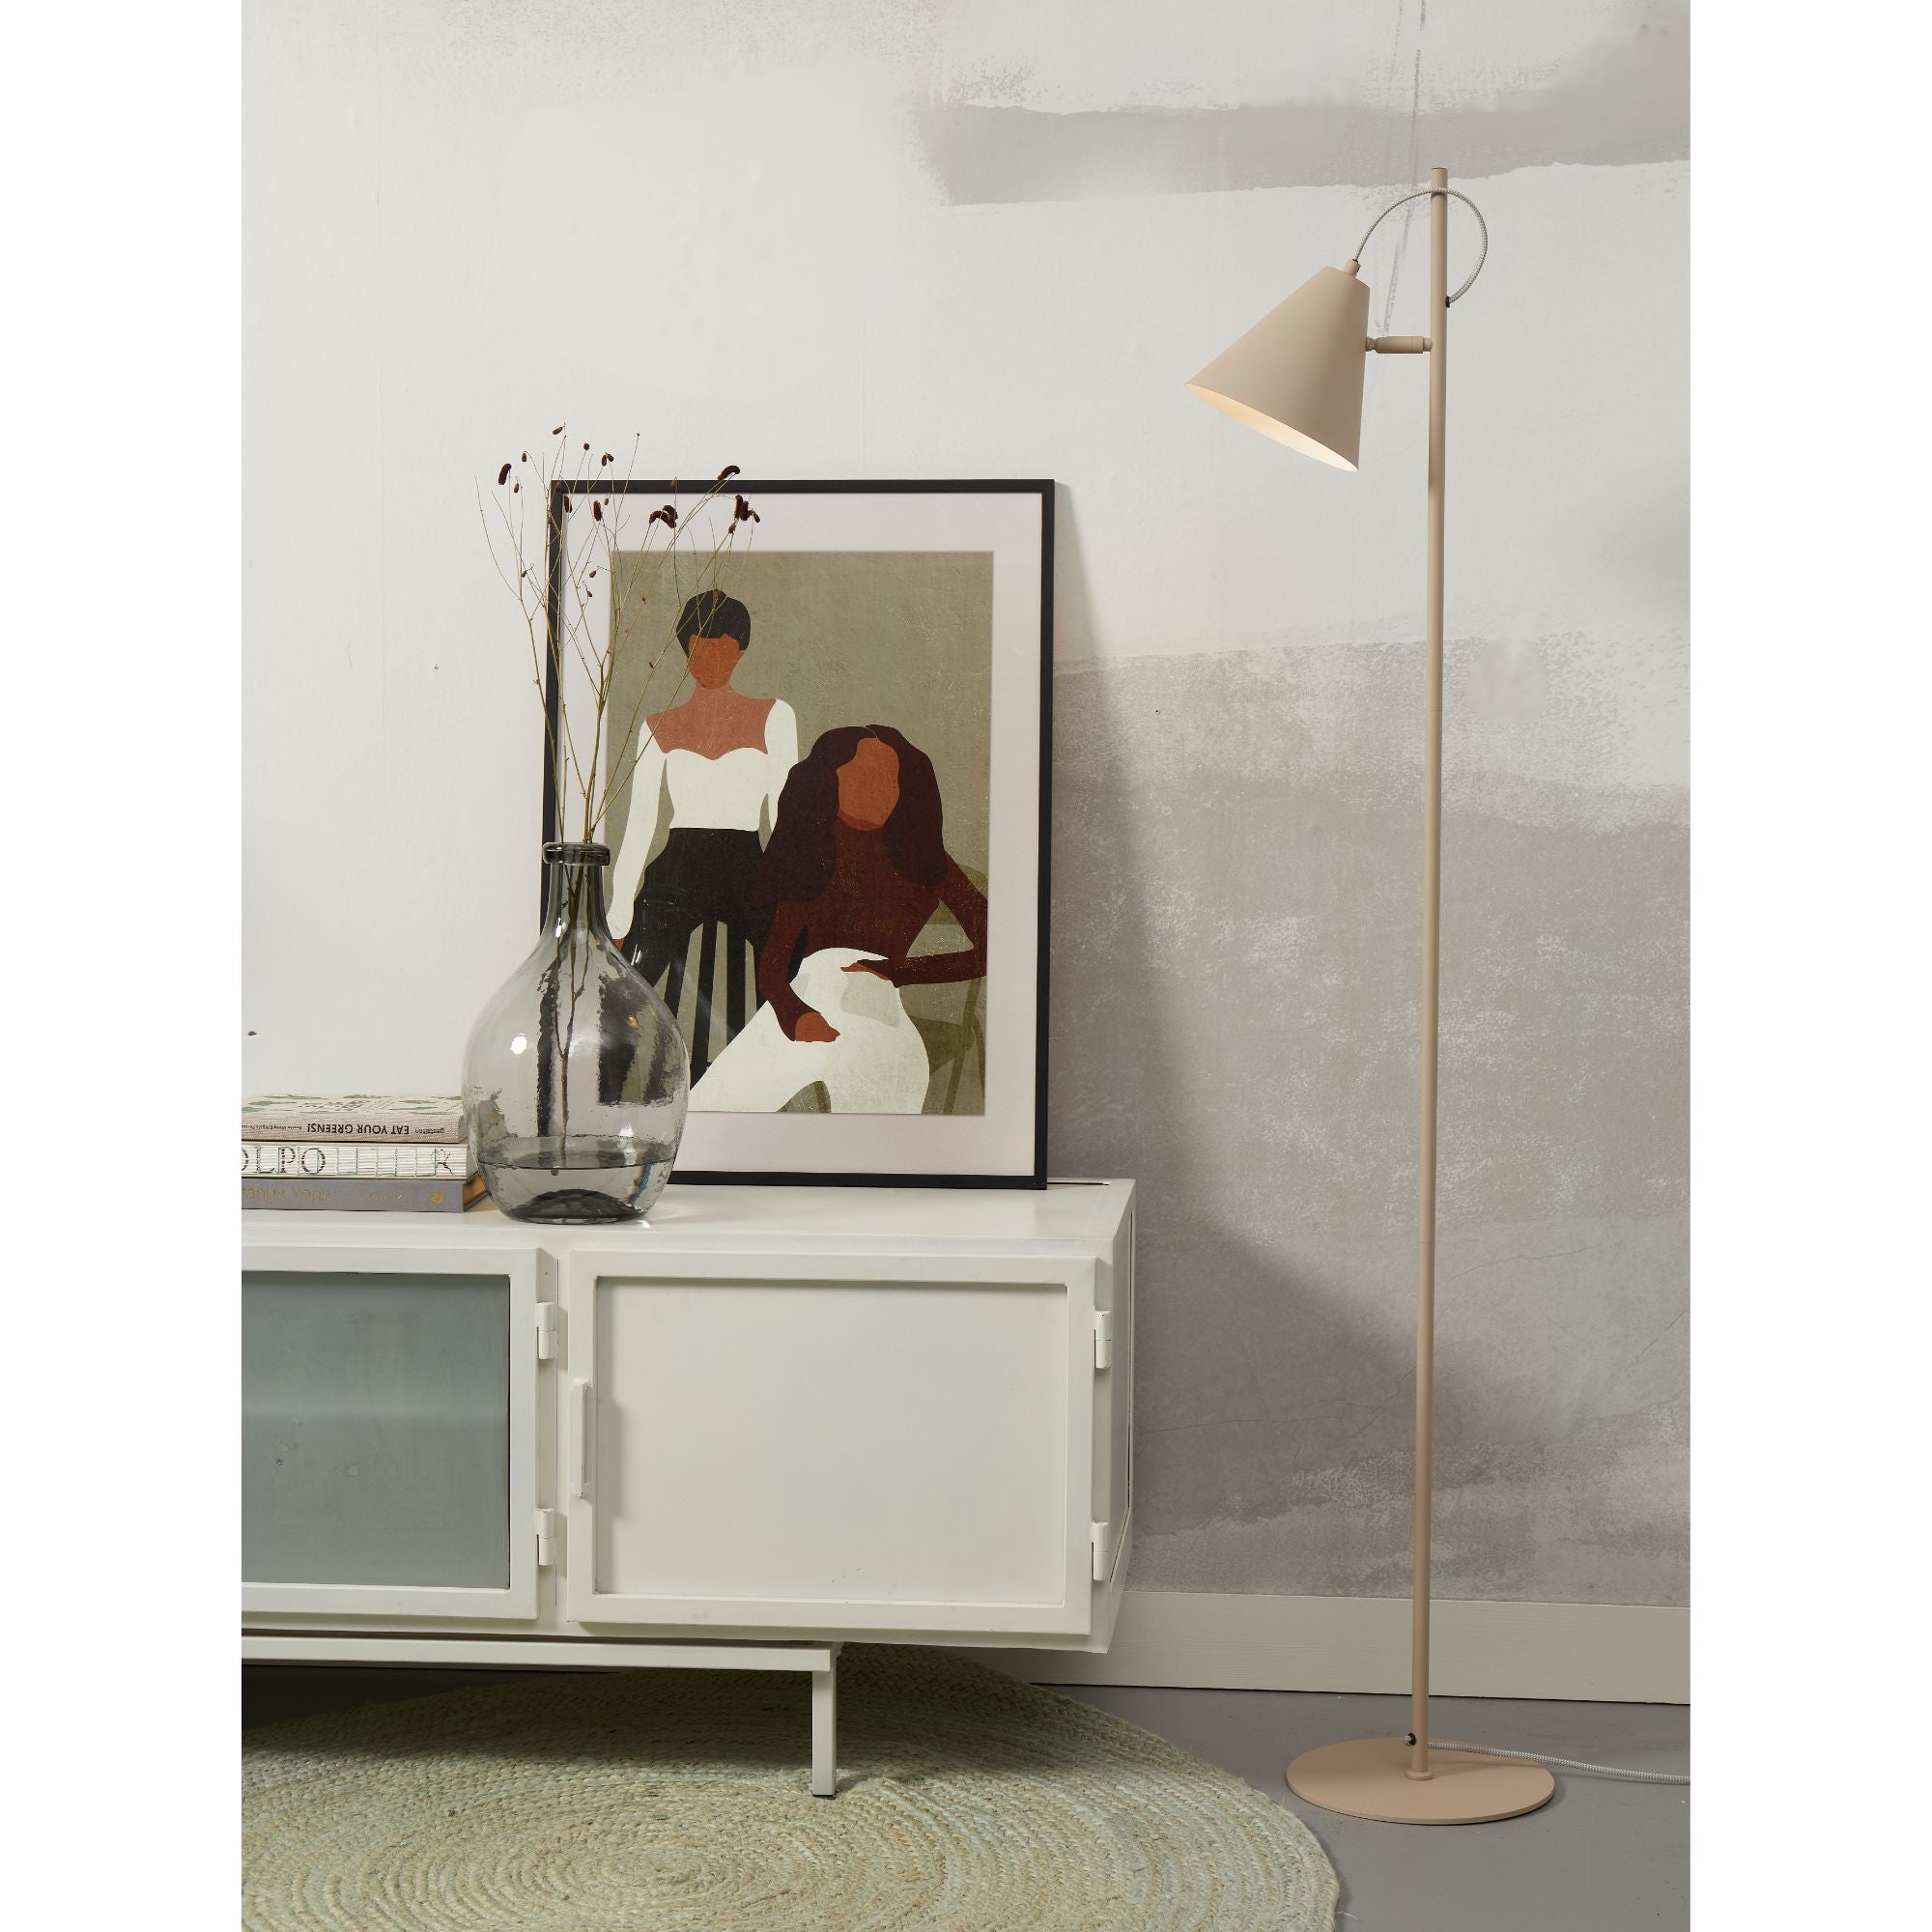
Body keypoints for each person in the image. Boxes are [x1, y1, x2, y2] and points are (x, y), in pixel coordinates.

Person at [692, 724, 987, 1114]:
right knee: (710, 1109)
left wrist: (900, 971)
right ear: (830, 780)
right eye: (864, 775)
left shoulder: (925, 857)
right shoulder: (812, 846)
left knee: (880, 1118)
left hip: (879, 1010)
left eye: (891, 777)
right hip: (807, 996)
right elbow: (774, 965)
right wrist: (793, 1015)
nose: (882, 788)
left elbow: (995, 948)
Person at [607, 590, 798, 1082]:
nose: (709, 657)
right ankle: (621, 1087)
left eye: (723, 646)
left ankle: (763, 1078)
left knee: (792, 960)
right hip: (679, 868)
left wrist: (794, 897)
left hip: (747, 863)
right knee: (626, 979)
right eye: (698, 646)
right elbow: (640, 823)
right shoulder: (658, 725)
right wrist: (619, 913)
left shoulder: (774, 715)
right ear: (686, 648)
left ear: (741, 651)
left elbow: (785, 815)